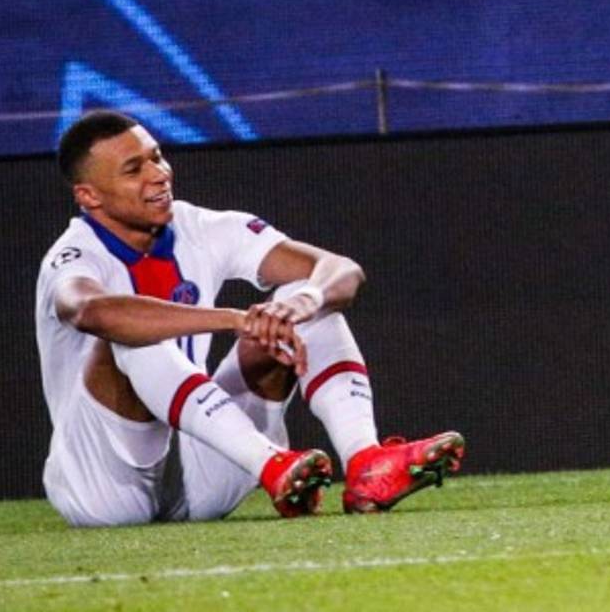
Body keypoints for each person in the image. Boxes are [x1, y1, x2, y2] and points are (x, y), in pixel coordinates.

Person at [35, 110, 464, 527]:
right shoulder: (74, 254)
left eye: (157, 156)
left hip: (204, 471)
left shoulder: (203, 226)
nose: (159, 174)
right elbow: (91, 311)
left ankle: (365, 462)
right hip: (104, 486)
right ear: (89, 195)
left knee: (301, 297)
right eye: (134, 169)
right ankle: (272, 464)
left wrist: (305, 301)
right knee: (128, 333)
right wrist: (233, 319)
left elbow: (343, 271)